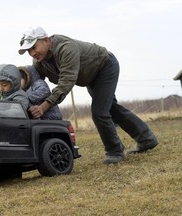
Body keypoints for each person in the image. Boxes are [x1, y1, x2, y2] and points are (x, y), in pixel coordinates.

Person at [18, 26, 158, 164]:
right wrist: (18, 84)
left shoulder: (65, 48)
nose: (32, 53)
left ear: (47, 40)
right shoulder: (39, 60)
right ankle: (147, 139)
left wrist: (43, 107)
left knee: (99, 112)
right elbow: (34, 77)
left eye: (34, 47)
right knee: (112, 109)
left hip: (105, 67)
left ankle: (115, 151)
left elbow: (66, 82)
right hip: (90, 77)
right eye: (29, 50)